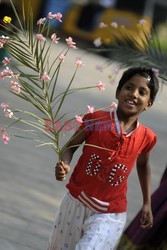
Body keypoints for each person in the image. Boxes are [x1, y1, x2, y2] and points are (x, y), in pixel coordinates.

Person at [47, 67, 159, 250]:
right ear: (118, 92)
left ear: (149, 103)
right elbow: (70, 147)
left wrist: (147, 203)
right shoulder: (95, 120)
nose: (133, 94)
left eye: (142, 92)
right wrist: (64, 164)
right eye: (129, 87)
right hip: (75, 202)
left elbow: (143, 165)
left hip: (110, 213)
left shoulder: (147, 137)